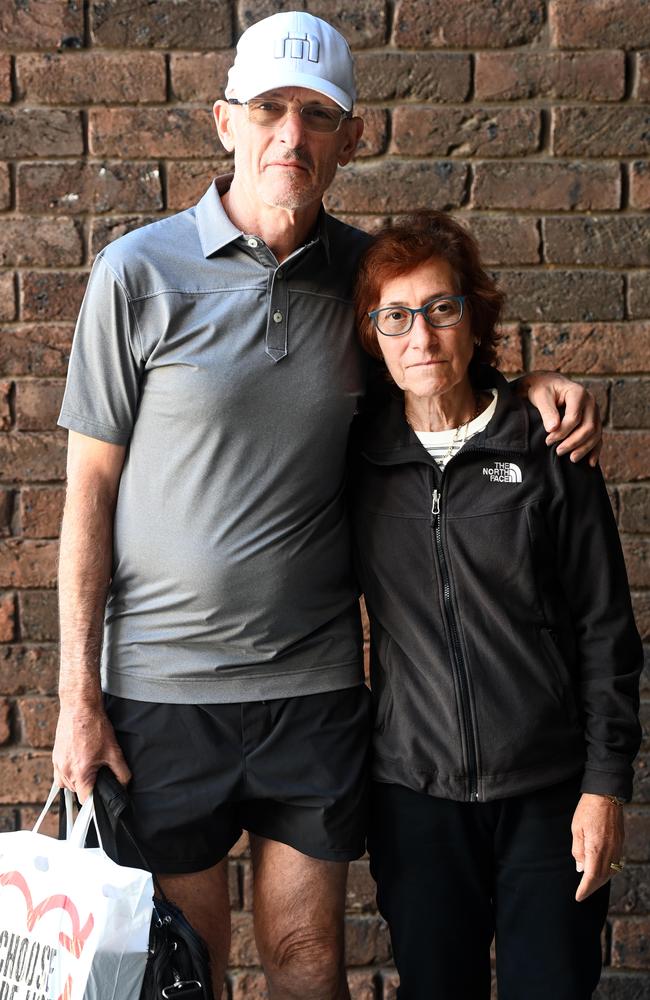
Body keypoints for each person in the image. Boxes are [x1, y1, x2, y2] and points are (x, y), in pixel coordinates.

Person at [52, 11, 603, 998]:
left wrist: (527, 393)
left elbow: (436, 358)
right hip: (161, 692)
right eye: (269, 109)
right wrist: (75, 697)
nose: (289, 136)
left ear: (350, 137)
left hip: (308, 688)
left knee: (309, 959)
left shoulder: (363, 281)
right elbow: (88, 489)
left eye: (316, 115)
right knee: (190, 965)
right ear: (225, 120)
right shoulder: (137, 274)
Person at [351, 211, 642, 1000]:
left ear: (474, 316)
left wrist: (604, 784)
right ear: (373, 335)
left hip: (549, 796)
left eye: (442, 309)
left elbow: (606, 629)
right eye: (397, 317)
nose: (422, 337)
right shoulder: (359, 462)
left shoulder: (549, 447)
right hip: (416, 799)